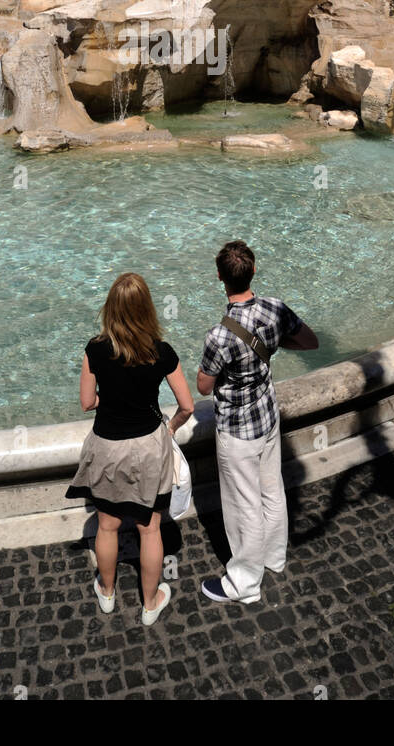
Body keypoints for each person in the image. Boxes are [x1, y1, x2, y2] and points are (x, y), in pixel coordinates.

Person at [66, 273, 194, 625]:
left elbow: (86, 402)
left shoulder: (95, 349)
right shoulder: (161, 352)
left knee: (106, 525)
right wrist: (170, 428)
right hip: (148, 446)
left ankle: (106, 593)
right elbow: (187, 406)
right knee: (149, 527)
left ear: (110, 308)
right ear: (147, 309)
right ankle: (150, 603)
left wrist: (111, 395)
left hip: (107, 444)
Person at [197, 240, 319, 605]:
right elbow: (309, 342)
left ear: (220, 277)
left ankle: (244, 584)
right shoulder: (275, 309)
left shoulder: (219, 336)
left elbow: (203, 384)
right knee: (271, 488)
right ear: (253, 271)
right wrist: (273, 346)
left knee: (242, 503)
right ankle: (274, 557)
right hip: (267, 416)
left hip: (237, 429)